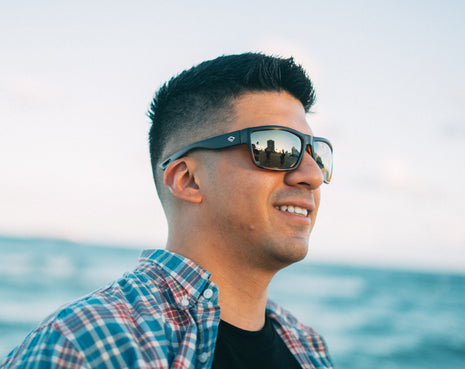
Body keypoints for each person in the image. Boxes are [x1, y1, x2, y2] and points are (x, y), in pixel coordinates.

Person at [1, 53, 335, 368]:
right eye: (276, 148)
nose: (312, 175)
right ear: (188, 180)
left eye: (315, 154)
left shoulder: (307, 346)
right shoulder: (86, 346)